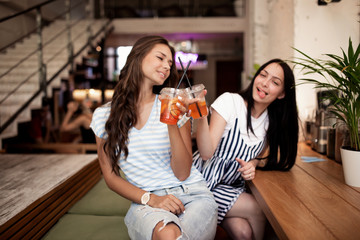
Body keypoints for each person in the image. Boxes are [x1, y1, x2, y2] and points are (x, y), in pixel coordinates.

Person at [90, 35, 218, 240]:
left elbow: (183, 172)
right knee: (168, 235)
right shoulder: (104, 116)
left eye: (170, 63)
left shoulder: (174, 106)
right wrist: (152, 199)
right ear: (138, 58)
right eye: (160, 58)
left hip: (193, 195)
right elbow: (111, 177)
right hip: (147, 202)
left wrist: (171, 123)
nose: (167, 66)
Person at [193, 59, 299, 240]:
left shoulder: (270, 121)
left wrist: (253, 164)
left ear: (281, 94)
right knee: (257, 208)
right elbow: (206, 153)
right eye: (263, 75)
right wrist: (201, 117)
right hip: (203, 182)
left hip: (231, 187)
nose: (265, 83)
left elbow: (259, 155)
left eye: (275, 82)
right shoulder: (230, 102)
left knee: (244, 233)